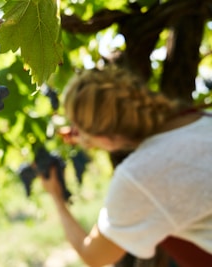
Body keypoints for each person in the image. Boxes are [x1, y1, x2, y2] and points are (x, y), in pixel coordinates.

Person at [40, 65, 212, 267]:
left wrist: (56, 197)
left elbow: (94, 256)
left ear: (102, 137)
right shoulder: (202, 120)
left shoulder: (140, 176)